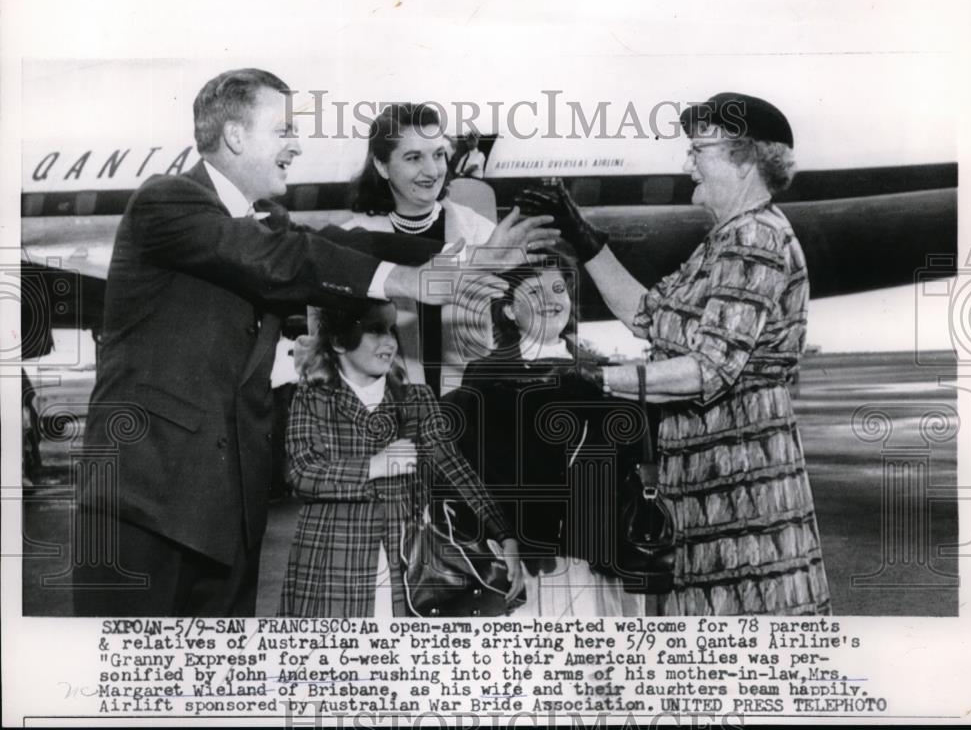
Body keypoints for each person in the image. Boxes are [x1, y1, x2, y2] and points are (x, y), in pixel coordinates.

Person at [74, 68, 556, 616]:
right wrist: (409, 281)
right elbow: (285, 262)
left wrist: (472, 256)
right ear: (234, 136)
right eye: (282, 131)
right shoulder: (168, 202)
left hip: (228, 520)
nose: (296, 146)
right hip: (148, 508)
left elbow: (333, 248)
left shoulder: (266, 224)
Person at [518, 93, 831, 615]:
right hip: (712, 472)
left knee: (746, 625)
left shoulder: (753, 238)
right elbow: (647, 315)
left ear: (747, 158)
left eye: (700, 149)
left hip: (741, 475)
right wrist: (584, 239)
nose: (688, 163)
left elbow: (708, 370)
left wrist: (601, 379)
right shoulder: (724, 239)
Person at [279, 297, 522, 617]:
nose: (390, 341)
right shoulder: (313, 397)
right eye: (375, 329)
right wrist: (375, 466)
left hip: (405, 564)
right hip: (331, 562)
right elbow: (300, 473)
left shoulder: (417, 399)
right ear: (339, 341)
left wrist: (504, 534)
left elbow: (456, 468)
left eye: (392, 329)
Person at [447, 260, 645, 616]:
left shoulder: (605, 372)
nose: (552, 301)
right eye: (536, 293)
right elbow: (478, 468)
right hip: (523, 554)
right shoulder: (486, 374)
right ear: (508, 309)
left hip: (595, 548)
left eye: (559, 290)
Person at [343, 104, 495, 395]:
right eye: (414, 158)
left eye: (438, 155)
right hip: (383, 422)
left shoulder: (480, 233)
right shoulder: (350, 242)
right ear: (382, 165)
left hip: (472, 416)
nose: (432, 170)